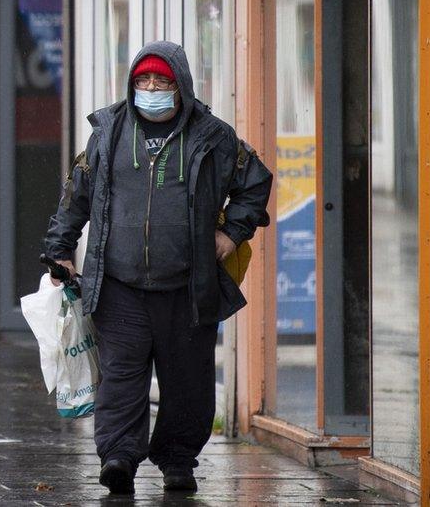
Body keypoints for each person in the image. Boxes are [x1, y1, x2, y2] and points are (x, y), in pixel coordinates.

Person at [43, 41, 272, 494]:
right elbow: (77, 194)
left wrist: (231, 235)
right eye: (143, 81)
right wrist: (59, 249)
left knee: (187, 381)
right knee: (122, 378)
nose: (151, 89)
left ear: (180, 85)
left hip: (189, 285)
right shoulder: (108, 132)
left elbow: (255, 184)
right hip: (119, 284)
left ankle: (178, 461)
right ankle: (119, 458)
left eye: (161, 81)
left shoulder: (214, 137)